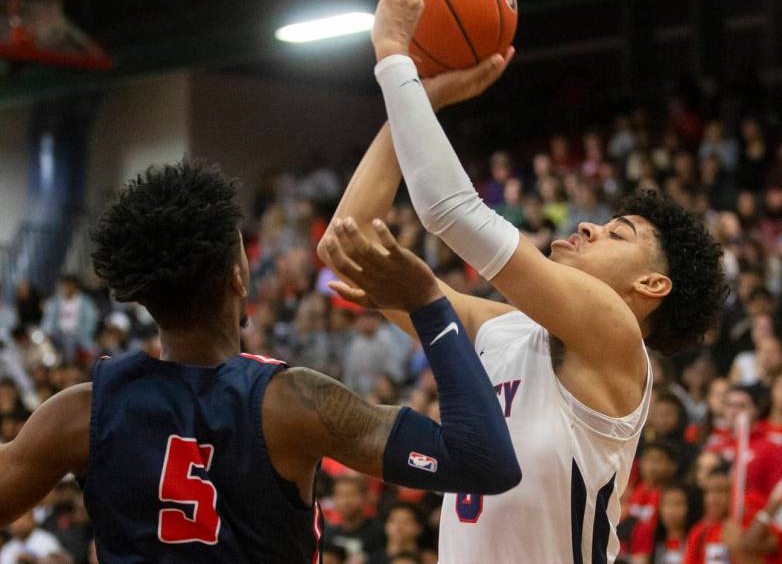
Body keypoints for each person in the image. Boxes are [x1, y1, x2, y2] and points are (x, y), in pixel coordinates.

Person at [321, 0, 727, 563]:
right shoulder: (506, 332)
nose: (591, 228)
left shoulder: (617, 341)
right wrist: (418, 102)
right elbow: (347, 242)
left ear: (650, 287)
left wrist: (393, 57)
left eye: (618, 234)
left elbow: (449, 209)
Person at [0, 161, 520, 562]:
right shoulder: (293, 405)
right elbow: (484, 463)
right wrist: (429, 305)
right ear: (237, 276)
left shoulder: (78, 414)